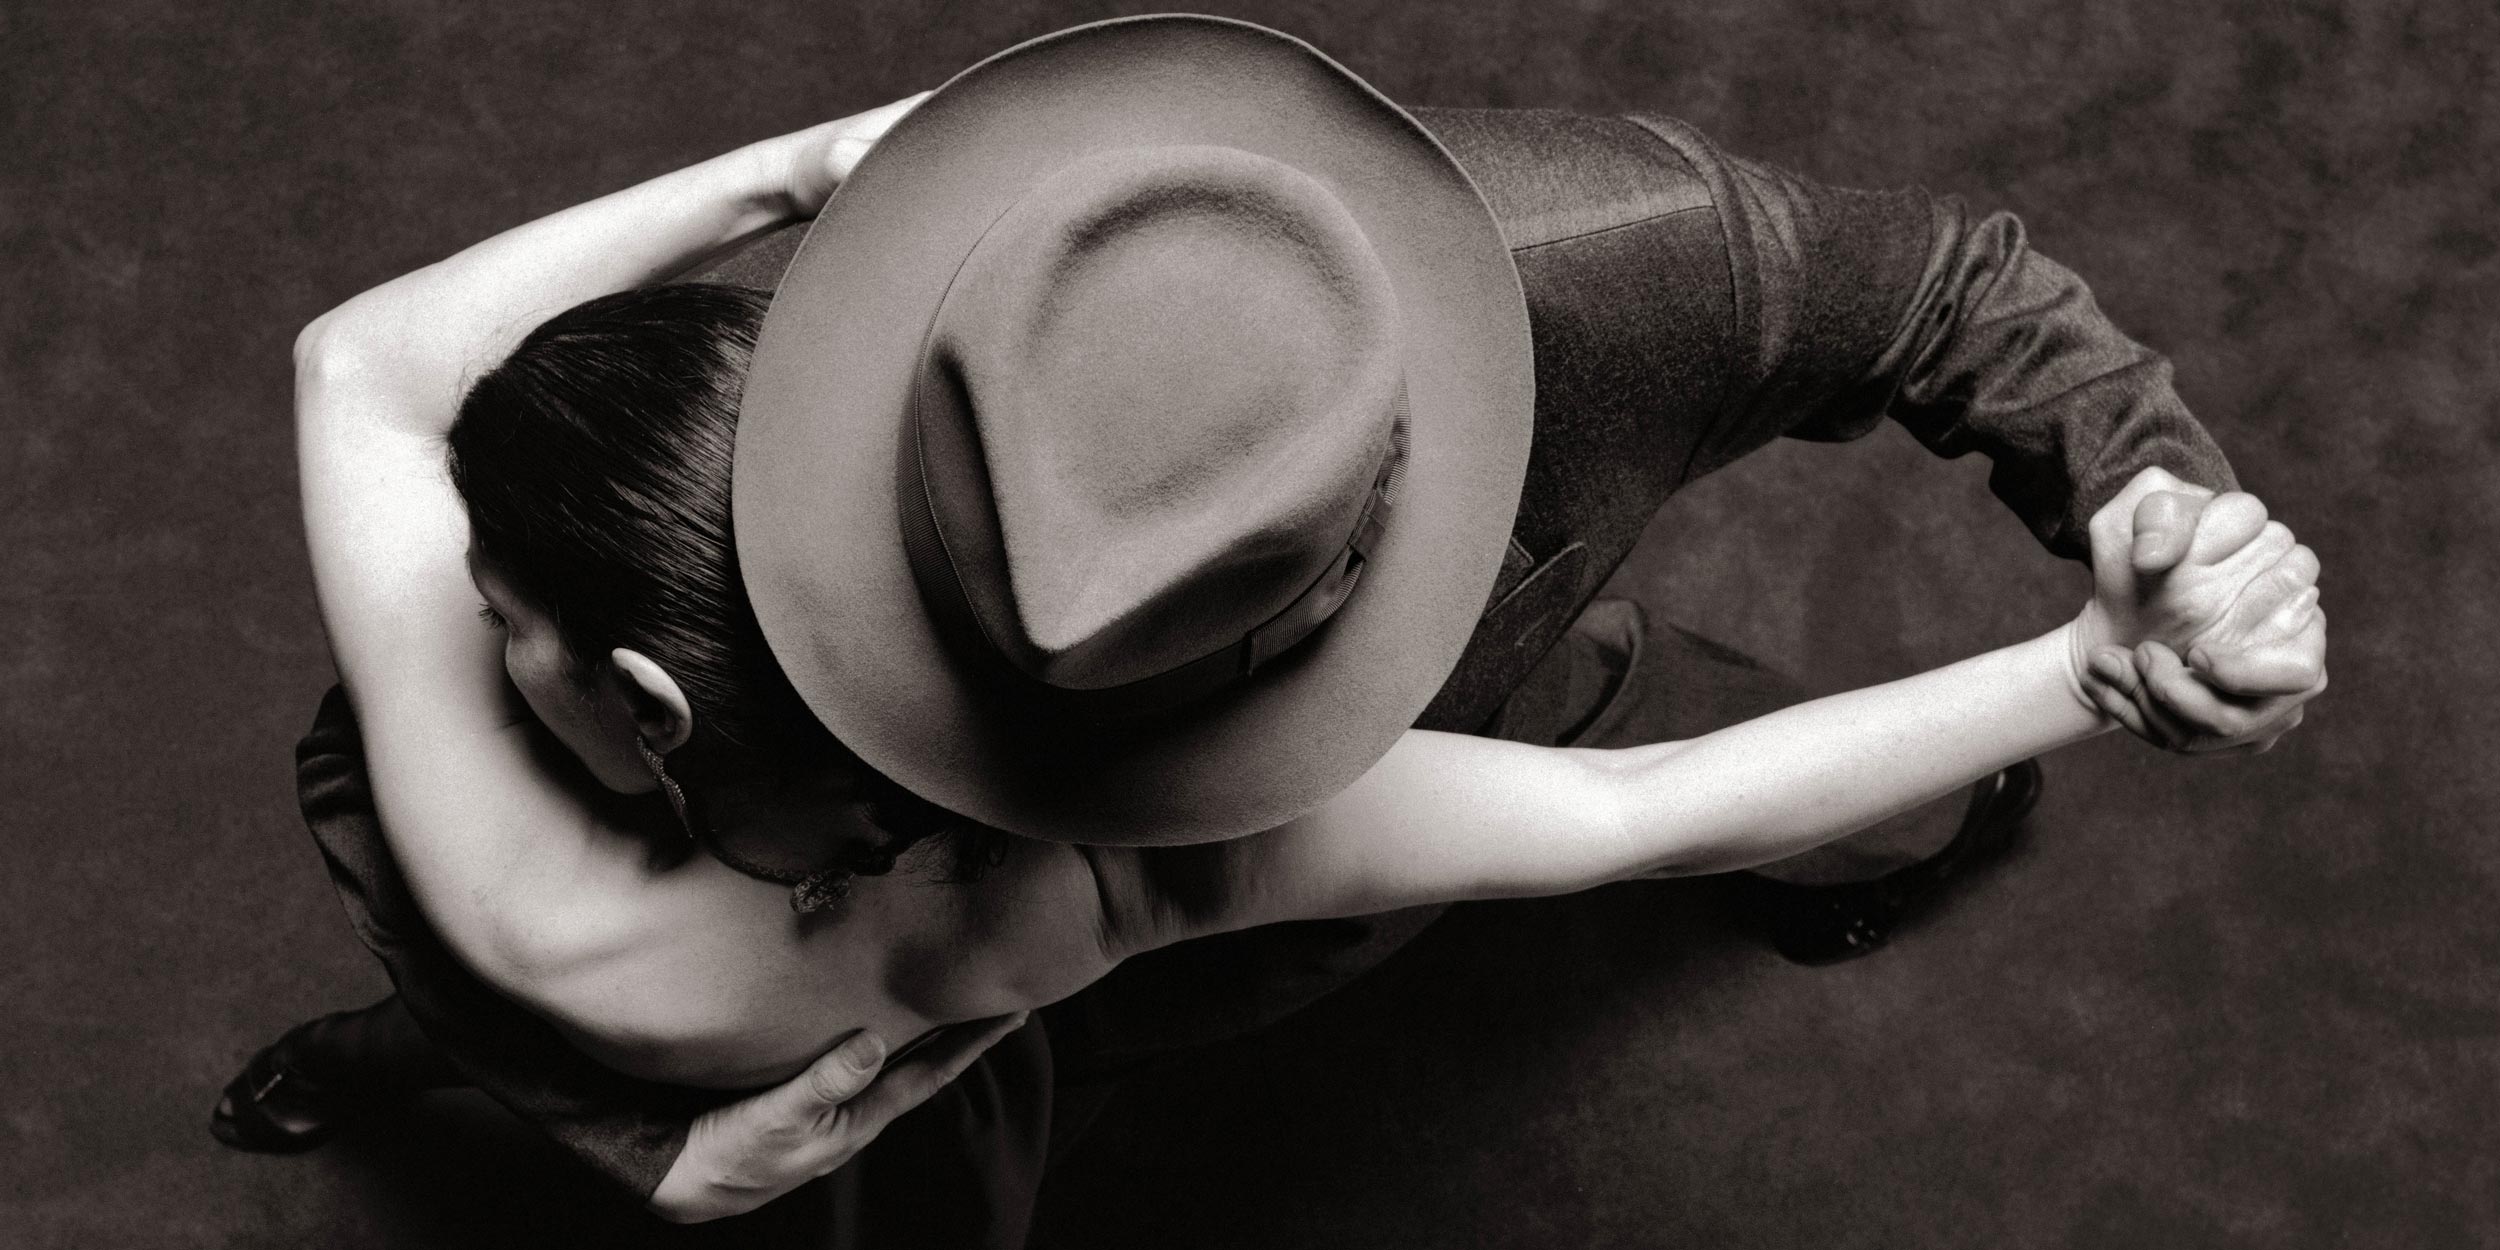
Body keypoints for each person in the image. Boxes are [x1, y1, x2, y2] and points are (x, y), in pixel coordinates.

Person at [219, 14, 2325, 1239]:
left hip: (1505, 657)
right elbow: (1623, 823)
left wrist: (2163, 502)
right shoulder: (1099, 870)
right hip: (1170, 923)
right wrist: (2085, 674)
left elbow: (355, 372)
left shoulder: (1629, 261)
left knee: (1620, 707)